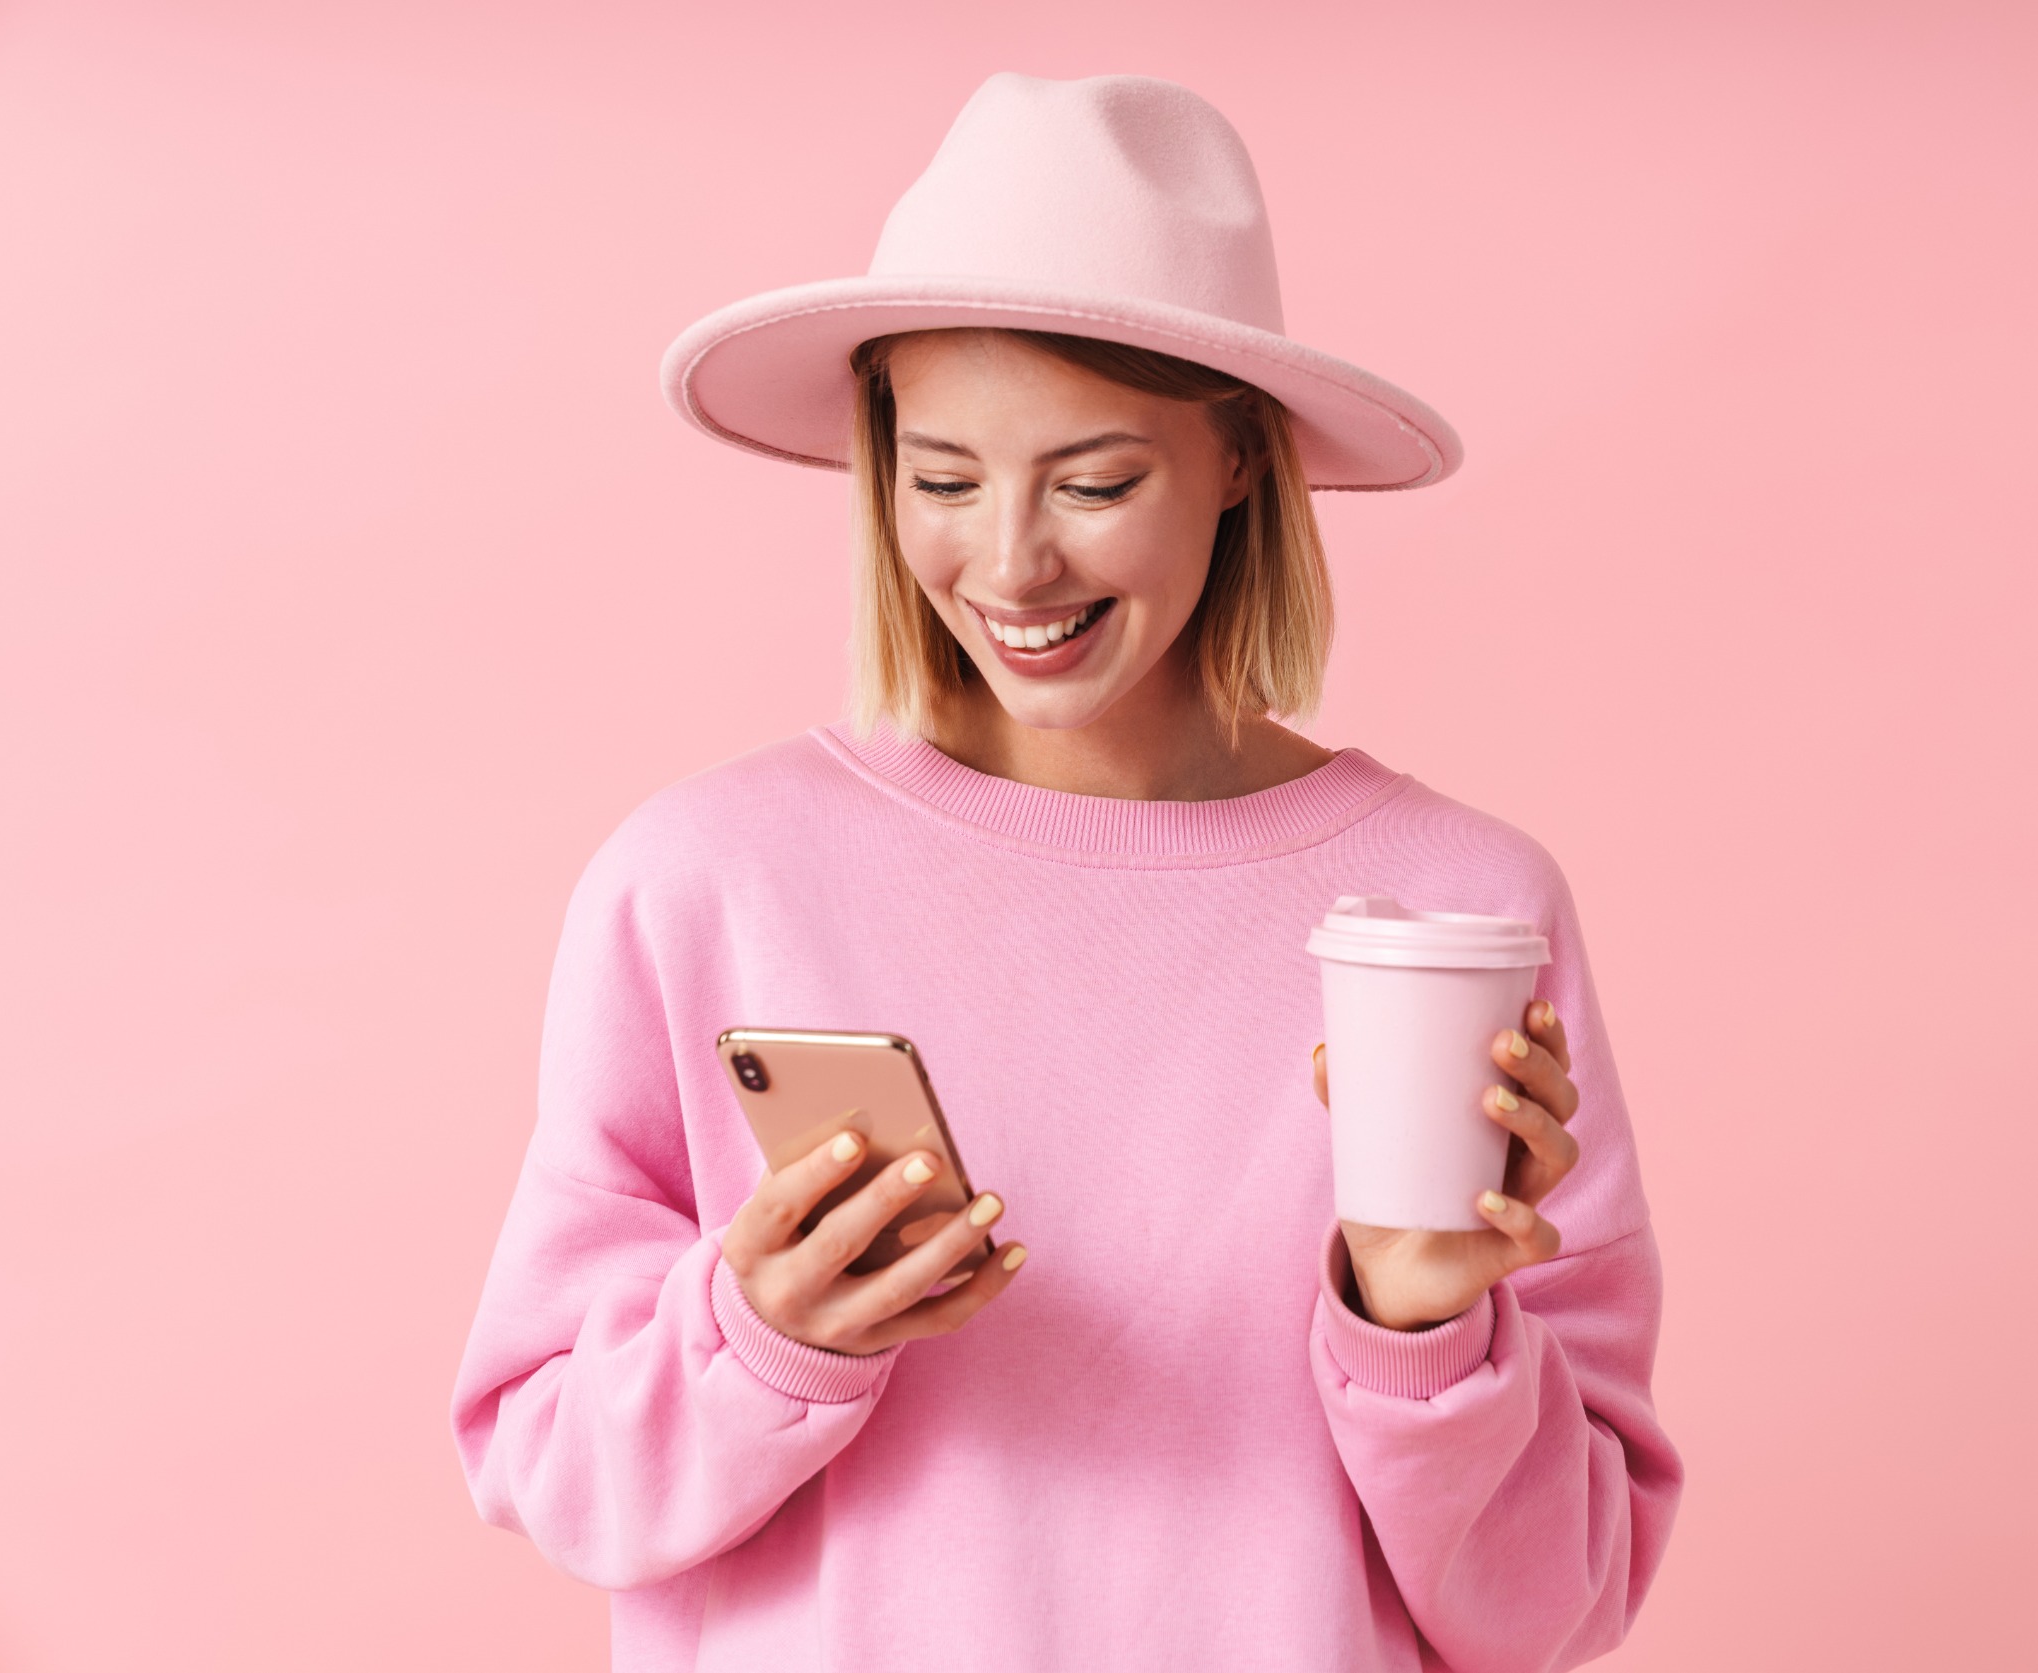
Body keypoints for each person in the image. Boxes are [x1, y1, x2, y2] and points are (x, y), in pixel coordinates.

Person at [453, 71, 1681, 1673]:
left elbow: (1558, 1607)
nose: (1012, 562)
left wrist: (1424, 1333)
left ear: (1243, 461)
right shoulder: (704, 881)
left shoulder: (1459, 917)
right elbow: (548, 1467)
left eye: (1096, 482)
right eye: (944, 478)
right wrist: (759, 1338)